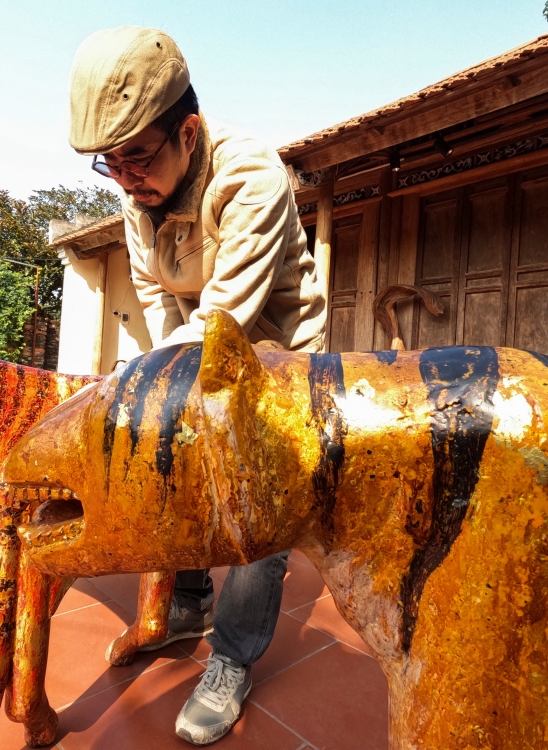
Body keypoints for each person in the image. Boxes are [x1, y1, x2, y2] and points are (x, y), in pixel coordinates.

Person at [68, 26, 327, 746]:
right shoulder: (134, 190)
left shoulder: (250, 176)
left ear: (188, 131)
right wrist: (158, 382)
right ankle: (185, 601)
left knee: (255, 512)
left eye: (139, 159)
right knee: (166, 468)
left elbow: (224, 319)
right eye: (109, 166)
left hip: (274, 358)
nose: (126, 179)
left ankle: (233, 657)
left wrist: (140, 380)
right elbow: (159, 300)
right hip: (196, 346)